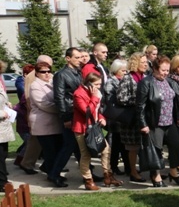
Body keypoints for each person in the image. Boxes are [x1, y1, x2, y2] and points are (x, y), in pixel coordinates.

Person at [137, 56, 179, 187]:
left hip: (169, 121)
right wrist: (143, 124)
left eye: (167, 70)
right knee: (156, 150)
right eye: (163, 70)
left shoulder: (168, 81)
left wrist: (177, 117)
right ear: (154, 68)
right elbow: (140, 106)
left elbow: (174, 99)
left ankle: (173, 173)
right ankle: (156, 176)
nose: (166, 73)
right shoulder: (146, 82)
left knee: (176, 146)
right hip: (155, 122)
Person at [72, 73, 121, 190]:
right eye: (96, 84)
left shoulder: (94, 92)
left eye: (100, 84)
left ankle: (108, 175)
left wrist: (102, 118)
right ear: (88, 84)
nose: (99, 87)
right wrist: (94, 97)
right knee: (86, 154)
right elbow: (87, 111)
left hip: (94, 127)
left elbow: (97, 109)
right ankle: (88, 180)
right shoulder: (78, 94)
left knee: (105, 149)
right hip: (82, 129)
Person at [52, 47, 84, 186]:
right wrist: (65, 118)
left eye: (80, 57)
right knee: (69, 145)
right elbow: (59, 97)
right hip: (69, 114)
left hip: (78, 113)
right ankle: (54, 174)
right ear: (68, 58)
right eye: (76, 57)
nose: (79, 60)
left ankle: (86, 173)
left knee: (79, 146)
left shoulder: (78, 73)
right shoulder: (61, 75)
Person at [29, 61, 64, 186]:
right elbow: (43, 105)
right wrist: (62, 108)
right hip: (43, 123)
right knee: (50, 152)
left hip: (54, 122)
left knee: (59, 149)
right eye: (43, 72)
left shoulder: (52, 82)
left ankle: (51, 170)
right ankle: (53, 176)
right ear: (37, 74)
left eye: (49, 71)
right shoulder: (35, 86)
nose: (47, 74)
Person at [116, 52, 148, 183]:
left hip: (143, 118)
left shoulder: (145, 77)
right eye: (143, 62)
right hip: (131, 120)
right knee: (133, 148)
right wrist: (137, 101)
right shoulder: (128, 78)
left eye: (146, 62)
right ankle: (133, 172)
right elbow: (120, 98)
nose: (146, 64)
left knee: (144, 146)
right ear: (136, 63)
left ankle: (149, 169)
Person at [104, 58, 129, 176]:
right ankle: (113, 167)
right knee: (115, 144)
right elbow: (111, 99)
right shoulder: (111, 82)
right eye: (123, 71)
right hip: (114, 118)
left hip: (123, 117)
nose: (125, 73)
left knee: (123, 144)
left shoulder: (124, 81)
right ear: (116, 70)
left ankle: (128, 166)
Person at [0, 65, 14, 188]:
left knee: (3, 154)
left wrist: (7, 103)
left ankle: (3, 180)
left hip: (3, 126)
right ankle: (2, 182)